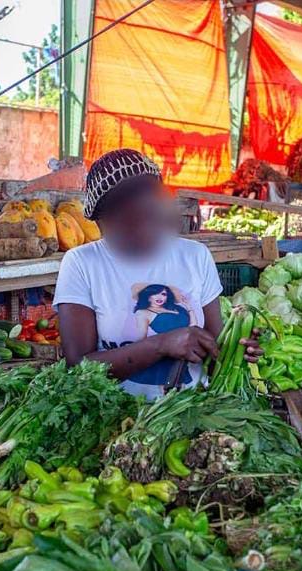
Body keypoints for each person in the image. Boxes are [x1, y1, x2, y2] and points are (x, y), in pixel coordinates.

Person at [54, 148, 257, 399]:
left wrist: (241, 349)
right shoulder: (82, 264)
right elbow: (78, 366)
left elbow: (215, 349)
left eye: (150, 216)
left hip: (190, 411)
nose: (142, 231)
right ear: (100, 224)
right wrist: (160, 345)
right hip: (117, 419)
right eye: (128, 224)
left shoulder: (195, 256)